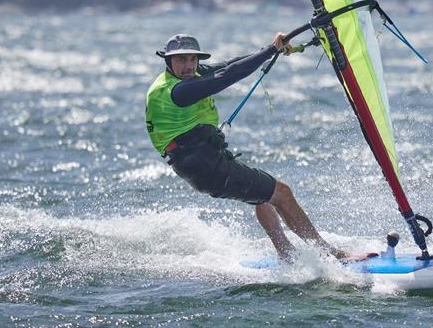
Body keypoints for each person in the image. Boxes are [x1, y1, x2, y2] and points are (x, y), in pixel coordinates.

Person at [145, 33, 348, 262]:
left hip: (201, 160)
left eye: (193, 59)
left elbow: (229, 64)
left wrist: (271, 48)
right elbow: (227, 75)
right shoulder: (178, 91)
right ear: (168, 62)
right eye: (181, 60)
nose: (189, 65)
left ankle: (286, 254)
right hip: (203, 165)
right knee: (281, 193)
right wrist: (270, 51)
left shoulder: (189, 75)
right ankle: (331, 254)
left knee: (262, 195)